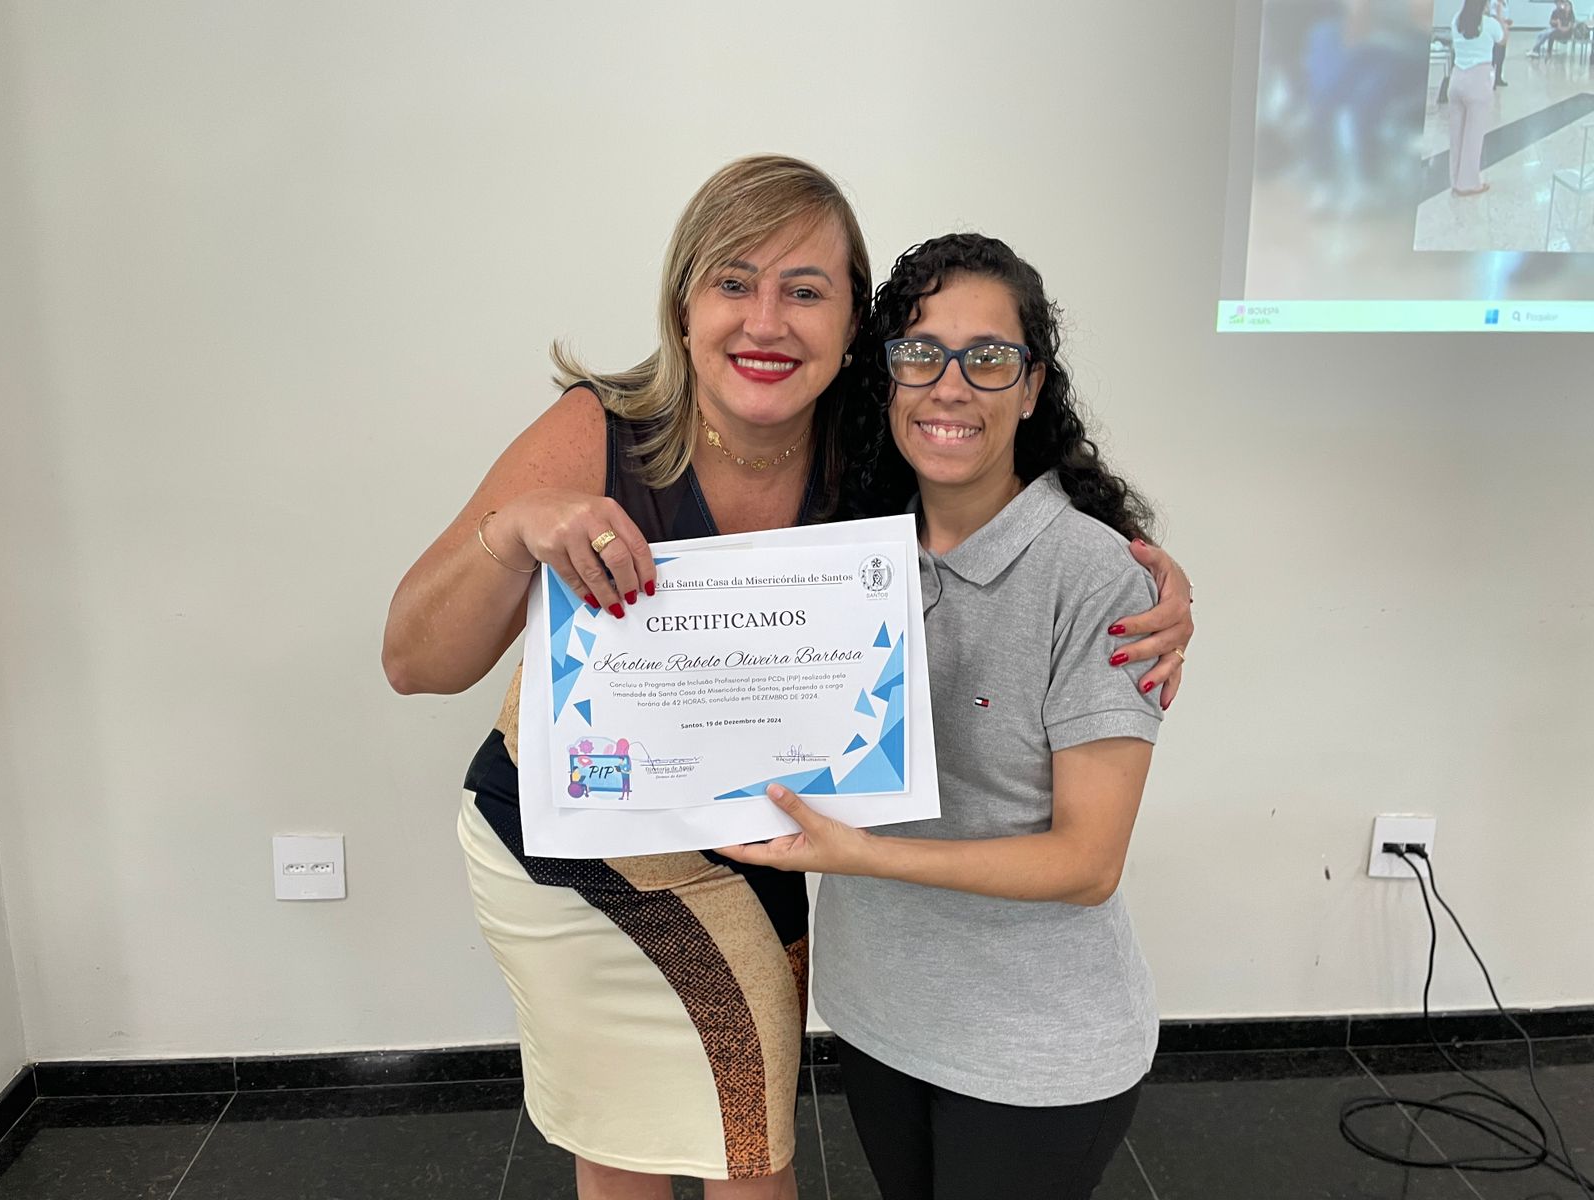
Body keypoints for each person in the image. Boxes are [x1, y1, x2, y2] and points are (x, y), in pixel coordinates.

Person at [382, 157, 1195, 1198]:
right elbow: (414, 662)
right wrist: (513, 532)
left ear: (852, 326)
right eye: (733, 281)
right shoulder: (605, 431)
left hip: (757, 842)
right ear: (683, 306)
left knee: (748, 1144)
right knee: (631, 1143)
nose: (765, 320)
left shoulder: (865, 452)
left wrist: (1149, 573)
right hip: (576, 848)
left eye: (805, 290)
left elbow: (1010, 506)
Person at [719, 233, 1170, 1199]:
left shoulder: (1095, 573)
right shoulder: (846, 553)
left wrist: (860, 854)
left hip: (1035, 1049)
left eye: (989, 357)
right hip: (878, 1016)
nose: (951, 386)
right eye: (921, 353)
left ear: (1032, 385)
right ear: (887, 379)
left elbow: (1087, 863)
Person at [1449, 0, 1505, 196]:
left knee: (1456, 136)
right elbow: (1503, 39)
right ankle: (1469, 184)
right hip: (1478, 83)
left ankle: (1455, 180)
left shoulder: (1456, 21)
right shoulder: (1490, 24)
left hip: (1456, 80)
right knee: (1473, 137)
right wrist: (1499, 15)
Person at [1491, 0, 1512, 85]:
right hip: (1497, 30)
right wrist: (1502, 21)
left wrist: (1506, 21)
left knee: (1501, 56)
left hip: (1504, 30)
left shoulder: (1505, 2)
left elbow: (1504, 16)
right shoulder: (1494, 2)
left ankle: (1498, 77)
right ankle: (1492, 78)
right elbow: (1494, 16)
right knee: (1495, 56)